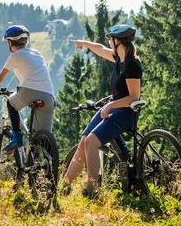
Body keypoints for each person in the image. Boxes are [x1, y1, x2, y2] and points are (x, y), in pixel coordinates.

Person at [60, 24, 141, 197]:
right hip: (112, 107)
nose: (108, 41)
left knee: (91, 143)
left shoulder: (132, 65)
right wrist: (84, 43)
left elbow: (134, 98)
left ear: (117, 40)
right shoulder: (119, 59)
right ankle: (63, 186)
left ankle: (91, 190)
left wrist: (110, 106)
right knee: (83, 144)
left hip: (125, 112)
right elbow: (99, 49)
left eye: (110, 38)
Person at [0, 25, 55, 151]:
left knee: (11, 103)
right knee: (41, 136)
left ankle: (17, 137)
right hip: (49, 95)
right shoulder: (36, 53)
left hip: (28, 91)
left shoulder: (15, 55)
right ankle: (49, 165)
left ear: (10, 42)